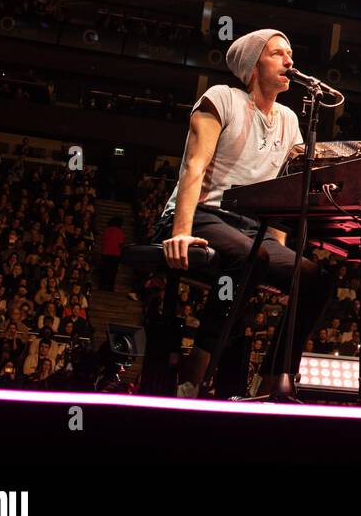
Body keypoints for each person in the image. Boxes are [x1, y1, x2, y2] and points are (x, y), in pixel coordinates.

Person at [155, 29, 336, 397]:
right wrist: (180, 230)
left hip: (251, 229)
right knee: (253, 257)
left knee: (317, 278)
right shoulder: (221, 98)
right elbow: (194, 165)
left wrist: (278, 242)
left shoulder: (288, 120)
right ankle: (198, 368)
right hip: (204, 213)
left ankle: (273, 378)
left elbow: (284, 192)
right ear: (253, 65)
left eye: (290, 53)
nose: (290, 61)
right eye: (277, 54)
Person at [99, 215, 125, 290]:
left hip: (106, 253)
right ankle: (110, 286)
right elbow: (121, 243)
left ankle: (102, 286)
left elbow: (103, 241)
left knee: (104, 270)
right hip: (115, 254)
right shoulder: (120, 231)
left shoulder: (107, 230)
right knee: (113, 272)